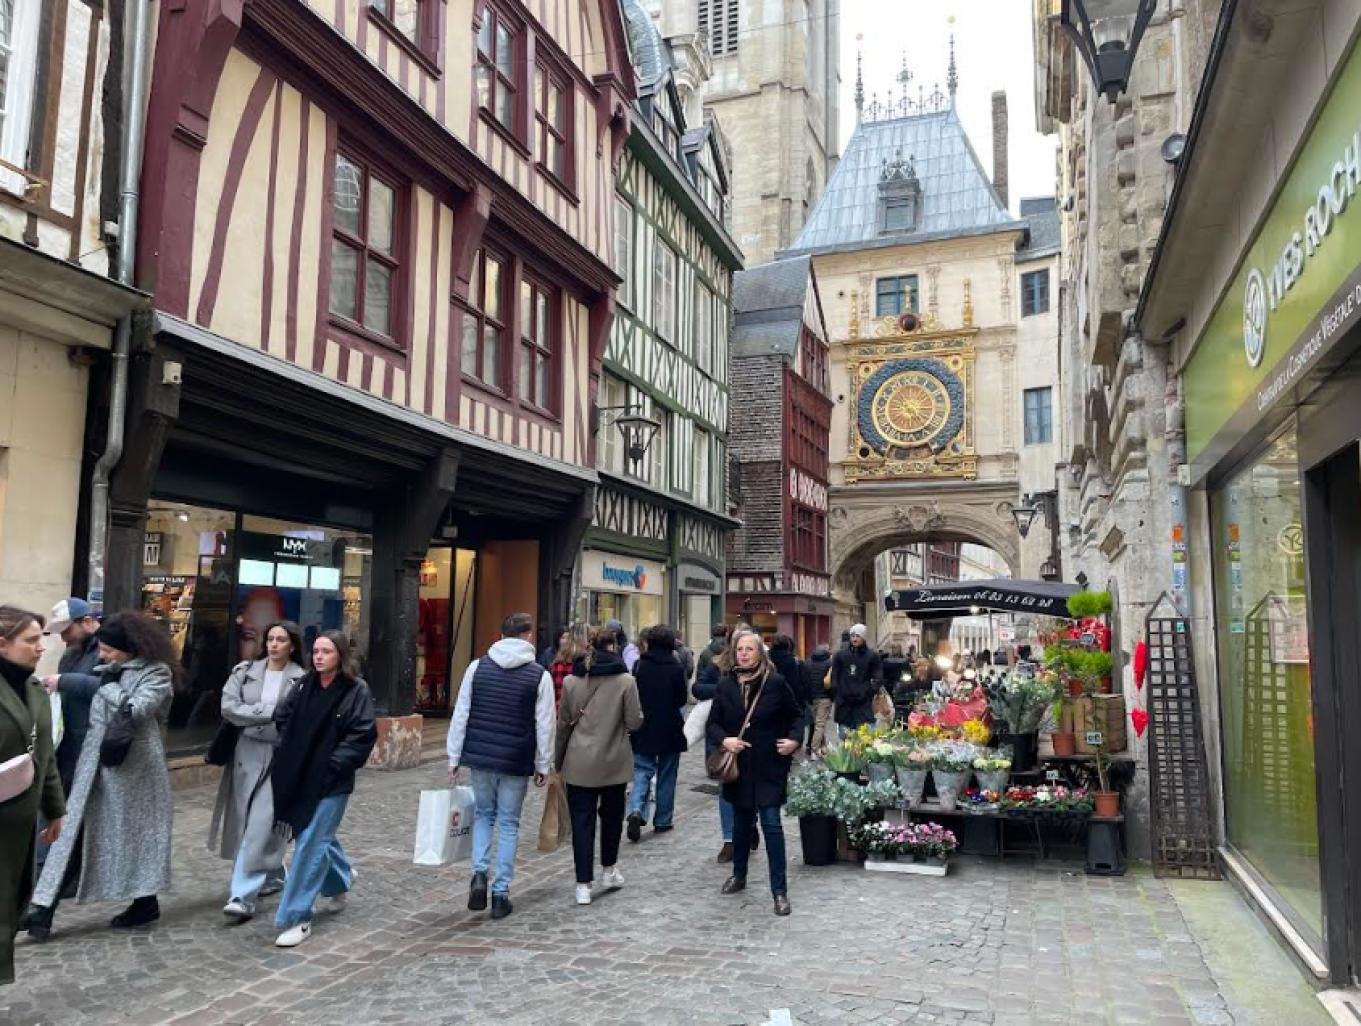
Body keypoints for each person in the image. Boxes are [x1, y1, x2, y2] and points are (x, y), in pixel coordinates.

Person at [26, 612, 176, 940]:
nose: (103, 654)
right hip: (92, 767)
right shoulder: (108, 670)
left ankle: (145, 901)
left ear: (127, 647)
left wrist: (108, 687)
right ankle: (41, 909)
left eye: (108, 649)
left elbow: (137, 710)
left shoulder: (156, 673)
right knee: (71, 835)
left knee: (137, 836)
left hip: (135, 770)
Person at [269, 631, 377, 947]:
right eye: (315, 651)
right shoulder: (304, 685)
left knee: (310, 844)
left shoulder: (355, 690)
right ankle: (341, 878)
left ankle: (295, 917)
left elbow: (362, 734)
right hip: (299, 774)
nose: (318, 657)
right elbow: (283, 716)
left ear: (339, 656)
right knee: (311, 835)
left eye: (326, 652)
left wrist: (333, 763)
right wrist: (292, 749)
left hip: (332, 780)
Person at [446, 612, 555, 920]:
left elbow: (462, 713)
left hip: (480, 756)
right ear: (528, 636)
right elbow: (545, 724)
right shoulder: (539, 675)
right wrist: (543, 764)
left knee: (483, 815)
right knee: (509, 823)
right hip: (515, 758)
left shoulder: (477, 668)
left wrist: (454, 757)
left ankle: (479, 874)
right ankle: (500, 892)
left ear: (501, 634)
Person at [209, 621, 307, 920]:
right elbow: (228, 707)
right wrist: (268, 714)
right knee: (246, 821)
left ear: (292, 645)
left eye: (281, 639)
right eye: (270, 639)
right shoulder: (244, 672)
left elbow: (297, 720)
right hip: (246, 755)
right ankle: (274, 874)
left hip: (280, 757)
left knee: (260, 825)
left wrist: (254, 718)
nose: (274, 644)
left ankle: (243, 895)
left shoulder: (301, 680)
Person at [707, 632, 801, 917]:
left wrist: (794, 740)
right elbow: (713, 724)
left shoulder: (775, 683)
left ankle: (779, 892)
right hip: (740, 767)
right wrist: (725, 741)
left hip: (769, 764)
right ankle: (739, 874)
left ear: (760, 653)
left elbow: (797, 715)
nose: (744, 654)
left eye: (750, 649)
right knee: (741, 823)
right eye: (740, 649)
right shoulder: (725, 686)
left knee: (771, 824)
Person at [556, 628, 643, 905]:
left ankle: (583, 884)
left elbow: (563, 725)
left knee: (581, 823)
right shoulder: (626, 681)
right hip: (613, 761)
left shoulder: (571, 682)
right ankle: (609, 869)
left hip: (579, 761)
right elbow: (634, 722)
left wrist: (557, 762)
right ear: (613, 648)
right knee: (612, 818)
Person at [0, 607, 64, 986]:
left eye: (42, 638)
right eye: (31, 640)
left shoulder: (35, 688)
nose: (41, 647)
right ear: (2, 645)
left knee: (10, 905)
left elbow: (45, 755)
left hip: (19, 825)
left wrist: (54, 809)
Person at [626, 625, 687, 842]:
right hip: (670, 726)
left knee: (642, 770)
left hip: (645, 726)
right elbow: (681, 699)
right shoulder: (676, 667)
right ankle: (663, 820)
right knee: (667, 774)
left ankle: (636, 810)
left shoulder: (639, 665)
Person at [692, 629, 739, 862]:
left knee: (751, 786)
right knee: (726, 787)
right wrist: (724, 687)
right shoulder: (717, 665)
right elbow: (697, 688)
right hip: (722, 736)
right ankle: (729, 840)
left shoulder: (766, 671)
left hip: (751, 737)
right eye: (739, 645)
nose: (744, 651)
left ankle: (749, 825)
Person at [829, 623, 881, 738]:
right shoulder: (840, 655)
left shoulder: (872, 656)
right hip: (844, 703)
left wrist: (870, 691)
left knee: (865, 740)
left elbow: (878, 676)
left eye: (858, 636)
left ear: (863, 637)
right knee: (845, 740)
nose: (855, 639)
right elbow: (834, 676)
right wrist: (837, 694)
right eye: (852, 636)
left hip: (863, 703)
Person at [768, 635, 807, 746]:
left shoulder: (767, 658)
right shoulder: (790, 660)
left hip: (770, 695)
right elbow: (795, 683)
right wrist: (801, 702)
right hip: (787, 696)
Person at [801, 644, 834, 755]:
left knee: (818, 724)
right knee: (820, 725)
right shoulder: (829, 663)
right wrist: (832, 696)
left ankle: (823, 747)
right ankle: (814, 750)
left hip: (811, 698)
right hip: (825, 698)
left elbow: (804, 682)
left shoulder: (807, 662)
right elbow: (831, 682)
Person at [547, 627, 585, 710]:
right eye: (563, 638)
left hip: (567, 706)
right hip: (562, 706)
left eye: (568, 638)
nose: (566, 641)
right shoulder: (551, 656)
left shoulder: (577, 659)